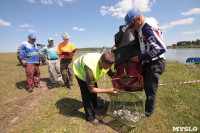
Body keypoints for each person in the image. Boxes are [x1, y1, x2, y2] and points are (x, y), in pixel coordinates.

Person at [123, 8, 167, 117]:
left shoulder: (147, 28)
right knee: (146, 86)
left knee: (151, 88)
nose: (132, 28)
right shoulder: (145, 24)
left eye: (132, 26)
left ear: (138, 19)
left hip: (154, 63)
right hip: (150, 62)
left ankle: (148, 112)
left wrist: (140, 58)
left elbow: (160, 48)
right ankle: (146, 104)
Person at [73, 52, 118, 125]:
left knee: (95, 87)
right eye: (108, 66)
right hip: (80, 72)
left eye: (111, 65)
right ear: (102, 62)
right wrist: (107, 91)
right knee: (86, 94)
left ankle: (94, 105)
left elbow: (111, 75)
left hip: (92, 72)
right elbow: (91, 89)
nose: (109, 67)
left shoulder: (107, 63)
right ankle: (90, 117)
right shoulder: (90, 69)